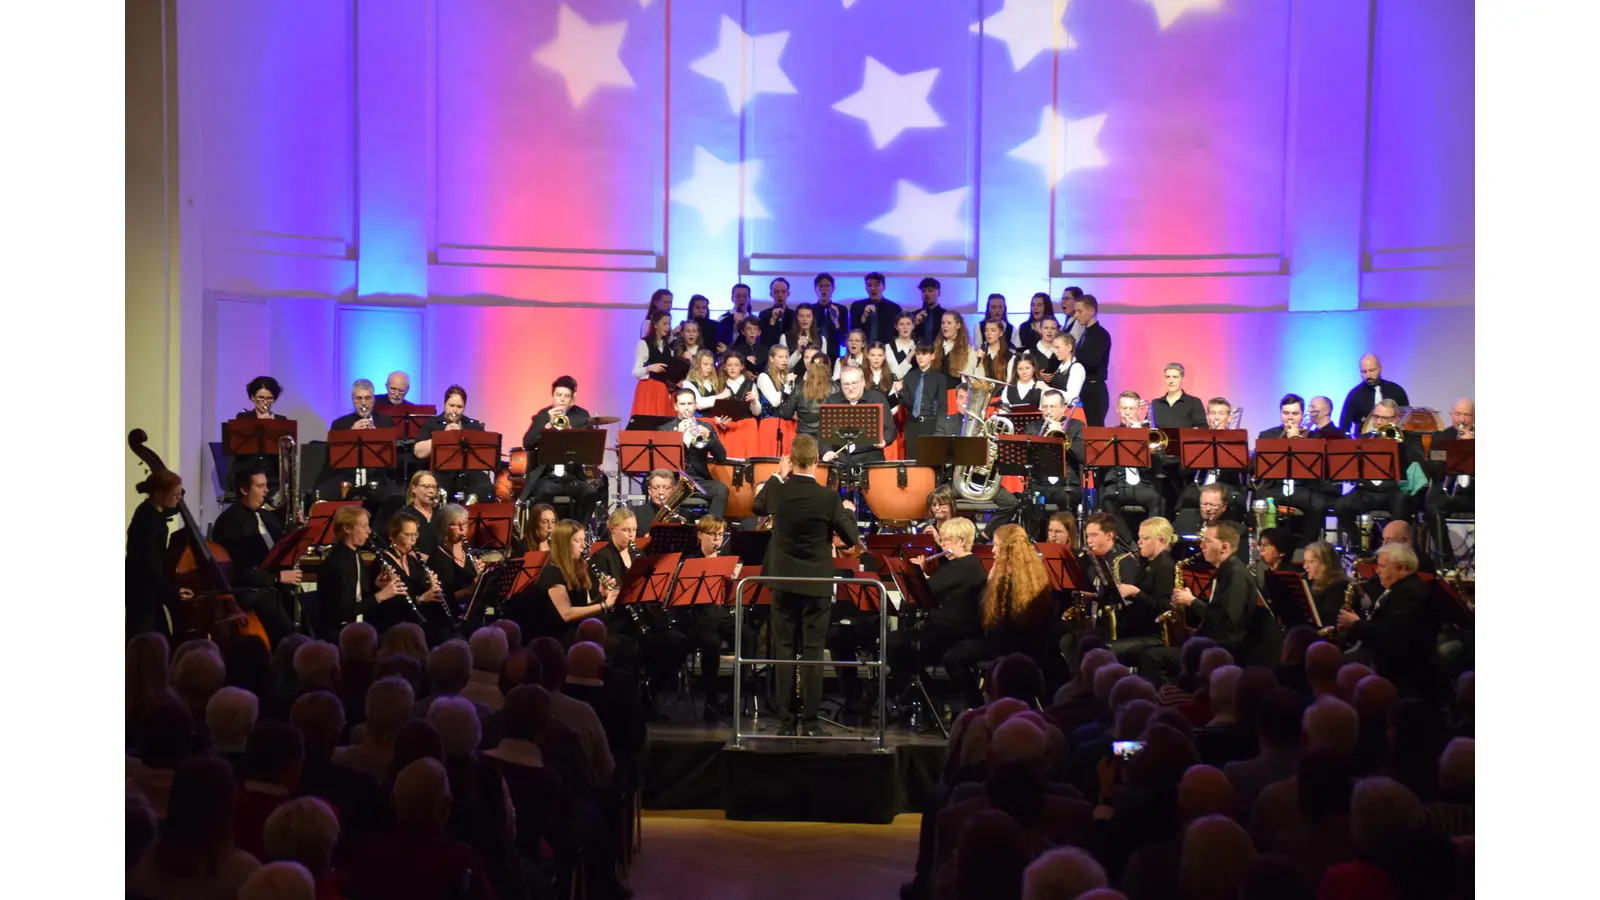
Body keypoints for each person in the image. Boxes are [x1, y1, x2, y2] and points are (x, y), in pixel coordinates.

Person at [751, 434, 862, 736]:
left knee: (784, 650)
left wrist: (776, 474)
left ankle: (787, 722)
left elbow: (757, 506)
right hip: (816, 583)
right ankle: (811, 723)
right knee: (813, 651)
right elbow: (851, 538)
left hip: (783, 582)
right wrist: (849, 514)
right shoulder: (828, 497)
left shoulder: (779, 491)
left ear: (791, 459)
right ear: (816, 461)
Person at [943, 524, 1056, 708]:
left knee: (953, 657)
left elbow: (991, 622)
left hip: (1009, 646)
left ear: (1006, 550)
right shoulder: (1033, 573)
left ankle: (978, 707)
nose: (993, 550)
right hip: (1034, 647)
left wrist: (989, 583)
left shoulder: (1004, 579)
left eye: (996, 545)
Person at [1138, 522, 1255, 681]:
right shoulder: (1226, 570)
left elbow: (1228, 620)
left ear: (1225, 547)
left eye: (1207, 541)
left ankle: (1171, 701)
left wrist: (1192, 602)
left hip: (1223, 650)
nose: (1202, 546)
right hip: (1213, 643)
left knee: (1152, 657)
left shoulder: (1235, 574)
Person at [1336, 543, 1441, 699]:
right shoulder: (1401, 589)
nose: (1377, 571)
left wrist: (1356, 624)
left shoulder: (1411, 593)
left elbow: (1390, 634)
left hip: (1400, 669)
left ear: (1400, 568)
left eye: (1382, 567)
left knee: (1336, 666)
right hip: (1385, 658)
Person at [681, 515, 759, 722]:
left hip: (723, 617)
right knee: (711, 643)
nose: (717, 540)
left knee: (748, 636)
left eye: (720, 535)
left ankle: (735, 697)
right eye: (712, 535)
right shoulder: (690, 560)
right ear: (700, 535)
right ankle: (711, 699)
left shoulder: (727, 558)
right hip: (699, 618)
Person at [210, 468, 299, 644]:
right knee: (286, 632)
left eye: (266, 485)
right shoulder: (230, 522)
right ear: (244, 490)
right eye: (260, 486)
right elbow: (241, 569)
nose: (266, 490)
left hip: (274, 588)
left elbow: (281, 547)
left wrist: (295, 530)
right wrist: (277, 577)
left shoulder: (266, 516)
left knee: (304, 621)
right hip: (252, 592)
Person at [504, 519, 618, 643]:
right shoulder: (553, 572)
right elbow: (567, 614)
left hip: (576, 631)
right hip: (558, 637)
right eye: (577, 541)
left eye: (583, 540)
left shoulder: (578, 568)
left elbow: (584, 607)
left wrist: (601, 596)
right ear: (564, 544)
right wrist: (603, 606)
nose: (583, 546)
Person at [519, 375, 602, 523]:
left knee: (590, 493)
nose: (562, 400)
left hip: (572, 475)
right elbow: (528, 443)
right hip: (547, 475)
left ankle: (578, 532)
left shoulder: (582, 416)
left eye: (566, 396)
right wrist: (548, 426)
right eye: (558, 395)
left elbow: (587, 447)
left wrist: (570, 430)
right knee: (543, 493)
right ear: (552, 396)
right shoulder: (543, 415)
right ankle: (542, 533)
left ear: (572, 399)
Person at [1332, 400, 1418, 545]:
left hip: (1394, 491)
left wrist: (1399, 446)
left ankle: (1396, 549)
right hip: (1367, 491)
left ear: (1396, 419)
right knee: (1340, 505)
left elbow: (1416, 464)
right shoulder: (1365, 439)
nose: (1378, 422)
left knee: (1402, 503)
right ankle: (1359, 544)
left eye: (1384, 418)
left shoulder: (1409, 439)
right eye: (1376, 417)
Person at [1254, 393, 1332, 548]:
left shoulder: (1314, 437)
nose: (1290, 418)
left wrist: (1299, 442)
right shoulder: (1267, 436)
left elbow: (1321, 469)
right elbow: (1256, 467)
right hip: (1275, 488)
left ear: (1302, 415)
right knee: (1261, 503)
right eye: (1286, 413)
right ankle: (1268, 548)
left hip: (1301, 488)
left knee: (1319, 505)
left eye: (1295, 414)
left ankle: (1306, 549)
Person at [1103, 516, 1180, 667]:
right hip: (1141, 630)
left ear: (1161, 541)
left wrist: (1135, 592)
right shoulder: (1148, 563)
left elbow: (1163, 609)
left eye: (1145, 538)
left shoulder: (1165, 568)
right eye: (1139, 537)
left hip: (1156, 635)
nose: (1139, 542)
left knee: (1106, 652)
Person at [127, 469, 193, 639]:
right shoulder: (150, 525)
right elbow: (150, 567)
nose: (179, 499)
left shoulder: (150, 509)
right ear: (158, 494)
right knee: (144, 643)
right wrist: (173, 591)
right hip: (144, 593)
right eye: (175, 495)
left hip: (147, 590)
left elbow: (172, 506)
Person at [315, 506, 396, 639]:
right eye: (364, 526)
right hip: (341, 632)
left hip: (357, 624)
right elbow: (345, 611)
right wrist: (380, 596)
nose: (369, 531)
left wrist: (377, 585)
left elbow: (359, 596)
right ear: (347, 529)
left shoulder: (356, 554)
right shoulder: (338, 563)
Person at [322, 378, 402, 505]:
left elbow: (392, 458)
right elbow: (331, 457)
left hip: (377, 477)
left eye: (368, 398)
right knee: (326, 494)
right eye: (358, 399)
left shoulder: (386, 422)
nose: (363, 403)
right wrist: (351, 434)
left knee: (396, 498)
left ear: (374, 399)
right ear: (353, 400)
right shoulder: (339, 424)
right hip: (347, 477)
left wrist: (376, 435)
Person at [373, 514, 450, 642]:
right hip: (395, 624)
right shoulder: (383, 561)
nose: (413, 540)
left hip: (415, 620)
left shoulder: (411, 560)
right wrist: (421, 599)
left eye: (415, 535)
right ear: (393, 536)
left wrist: (429, 584)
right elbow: (391, 603)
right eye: (408, 535)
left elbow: (417, 589)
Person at [1173, 397, 1248, 524]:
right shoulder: (1198, 438)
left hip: (1227, 486)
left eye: (1221, 413)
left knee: (1231, 500)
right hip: (1201, 485)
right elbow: (1182, 471)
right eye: (1213, 413)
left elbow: (1244, 469)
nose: (1216, 418)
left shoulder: (1236, 439)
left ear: (1229, 418)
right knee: (1186, 497)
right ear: (1208, 417)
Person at [1098, 391, 1165, 532]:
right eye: (1124, 408)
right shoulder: (1111, 434)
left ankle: (1152, 540)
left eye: (1131, 409)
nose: (1127, 413)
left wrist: (1140, 436)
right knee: (1108, 499)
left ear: (1138, 410)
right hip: (1118, 483)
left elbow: (1158, 462)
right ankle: (1129, 545)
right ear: (1117, 409)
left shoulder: (1149, 433)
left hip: (1143, 485)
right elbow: (1101, 464)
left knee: (1156, 500)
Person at [659, 388, 731, 519]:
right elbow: (662, 461)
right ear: (675, 407)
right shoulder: (665, 429)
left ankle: (711, 529)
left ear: (695, 405)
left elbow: (722, 457)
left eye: (690, 404)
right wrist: (677, 436)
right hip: (674, 482)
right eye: (682, 404)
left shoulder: (707, 427)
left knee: (722, 490)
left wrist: (709, 438)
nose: (686, 408)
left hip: (699, 481)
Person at [412, 385, 492, 503]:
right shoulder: (432, 423)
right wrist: (443, 436)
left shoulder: (473, 425)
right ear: (444, 405)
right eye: (451, 406)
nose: (455, 410)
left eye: (459, 407)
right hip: (441, 472)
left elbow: (486, 452)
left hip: (468, 472)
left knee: (486, 487)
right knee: (438, 487)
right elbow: (418, 452)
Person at [1425, 398, 1474, 562]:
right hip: (1449, 491)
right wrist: (1456, 448)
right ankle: (1446, 560)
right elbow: (1434, 467)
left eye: (1467, 415)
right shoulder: (1441, 438)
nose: (1462, 419)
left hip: (1474, 492)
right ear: (1451, 415)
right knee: (1432, 506)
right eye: (1458, 414)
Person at [822, 366, 897, 468]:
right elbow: (824, 433)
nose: (850, 388)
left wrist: (883, 441)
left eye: (854, 383)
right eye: (846, 384)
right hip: (840, 456)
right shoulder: (832, 401)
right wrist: (827, 451)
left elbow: (889, 429)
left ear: (862, 382)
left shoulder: (876, 399)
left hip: (870, 455)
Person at [230, 375, 290, 491]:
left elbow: (286, 452)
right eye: (261, 398)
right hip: (246, 473)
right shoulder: (243, 418)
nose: (265, 402)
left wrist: (273, 426)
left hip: (272, 476)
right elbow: (236, 450)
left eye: (269, 398)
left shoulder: (281, 421)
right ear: (252, 397)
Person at [1338, 353, 1410, 436]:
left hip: (1394, 443)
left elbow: (1406, 419)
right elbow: (1344, 427)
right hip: (1364, 445)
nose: (1368, 375)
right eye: (1364, 371)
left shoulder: (1396, 391)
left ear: (1380, 368)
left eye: (1372, 370)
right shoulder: (1354, 395)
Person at [898, 344, 951, 454]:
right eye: (918, 354)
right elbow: (908, 405)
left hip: (930, 424)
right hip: (912, 425)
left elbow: (943, 405)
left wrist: (940, 430)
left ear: (932, 356)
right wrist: (900, 393)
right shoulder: (909, 376)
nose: (920, 357)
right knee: (912, 460)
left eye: (924, 354)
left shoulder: (939, 378)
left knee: (929, 459)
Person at [631, 309, 679, 418]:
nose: (668, 327)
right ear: (656, 325)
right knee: (647, 421)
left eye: (669, 324)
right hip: (648, 389)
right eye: (664, 324)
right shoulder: (644, 344)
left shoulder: (668, 348)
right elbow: (635, 372)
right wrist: (649, 368)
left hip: (663, 390)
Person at [1072, 296, 1112, 426]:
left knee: (1094, 429)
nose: (1076, 315)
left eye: (1080, 311)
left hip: (1094, 391)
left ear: (1091, 311)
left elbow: (1092, 361)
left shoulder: (1101, 335)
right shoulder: (1085, 334)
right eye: (1075, 311)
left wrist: (1072, 350)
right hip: (1084, 389)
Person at [392, 470, 443, 562]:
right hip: (415, 566)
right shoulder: (404, 515)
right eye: (426, 487)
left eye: (434, 487)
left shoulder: (440, 515)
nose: (431, 491)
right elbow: (398, 547)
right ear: (414, 489)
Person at [1300, 540, 1351, 628]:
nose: (1305, 566)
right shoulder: (1310, 583)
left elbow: (1328, 622)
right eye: (1305, 561)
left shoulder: (1337, 587)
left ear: (1325, 564)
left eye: (1311, 562)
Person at [849, 271, 904, 345]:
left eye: (877, 285)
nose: (873, 288)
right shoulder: (857, 306)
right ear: (866, 288)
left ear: (884, 287)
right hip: (862, 350)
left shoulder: (894, 308)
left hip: (886, 351)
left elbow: (899, 334)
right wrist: (863, 317)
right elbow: (853, 332)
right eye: (869, 285)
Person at [1150, 363, 1207, 428]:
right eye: (1168, 377)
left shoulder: (1194, 402)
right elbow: (1147, 427)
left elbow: (1203, 427)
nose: (1171, 381)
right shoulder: (1155, 403)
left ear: (1182, 379)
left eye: (1175, 377)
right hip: (1160, 438)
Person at [935, 312, 981, 381]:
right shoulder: (936, 347)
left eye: (949, 323)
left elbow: (969, 377)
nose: (945, 326)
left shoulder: (967, 350)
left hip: (956, 389)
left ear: (958, 325)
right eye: (943, 323)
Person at [808, 272, 846, 354]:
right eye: (820, 286)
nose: (824, 290)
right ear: (815, 289)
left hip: (834, 355)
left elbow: (844, 342)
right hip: (813, 354)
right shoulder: (810, 310)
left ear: (833, 289)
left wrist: (836, 322)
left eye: (827, 286)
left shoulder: (841, 310)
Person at [715, 282, 756, 349]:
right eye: (738, 296)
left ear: (749, 298)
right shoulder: (723, 319)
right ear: (732, 298)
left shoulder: (754, 320)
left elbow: (756, 343)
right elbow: (719, 343)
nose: (741, 299)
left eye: (745, 296)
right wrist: (735, 327)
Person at [910, 277, 948, 345]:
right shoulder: (914, 315)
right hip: (919, 353)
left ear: (938, 293)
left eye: (930, 290)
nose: (926, 294)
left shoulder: (946, 315)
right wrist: (914, 324)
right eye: (923, 291)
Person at [759, 277, 796, 346]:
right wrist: (772, 321)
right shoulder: (764, 315)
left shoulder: (794, 315)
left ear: (788, 293)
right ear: (771, 294)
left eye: (783, 291)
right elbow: (763, 339)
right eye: (776, 292)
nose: (780, 295)